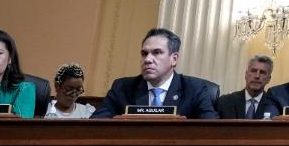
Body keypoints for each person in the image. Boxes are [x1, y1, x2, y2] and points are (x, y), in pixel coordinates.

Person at [91, 28, 219, 119]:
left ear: (174, 58)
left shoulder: (194, 88)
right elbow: (96, 125)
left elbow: (211, 129)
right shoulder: (122, 87)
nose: (147, 59)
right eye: (144, 53)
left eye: (157, 52)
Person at [216, 54, 275, 119]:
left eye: (262, 72)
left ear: (269, 79)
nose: (257, 76)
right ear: (246, 75)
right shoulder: (225, 102)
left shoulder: (274, 105)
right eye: (253, 71)